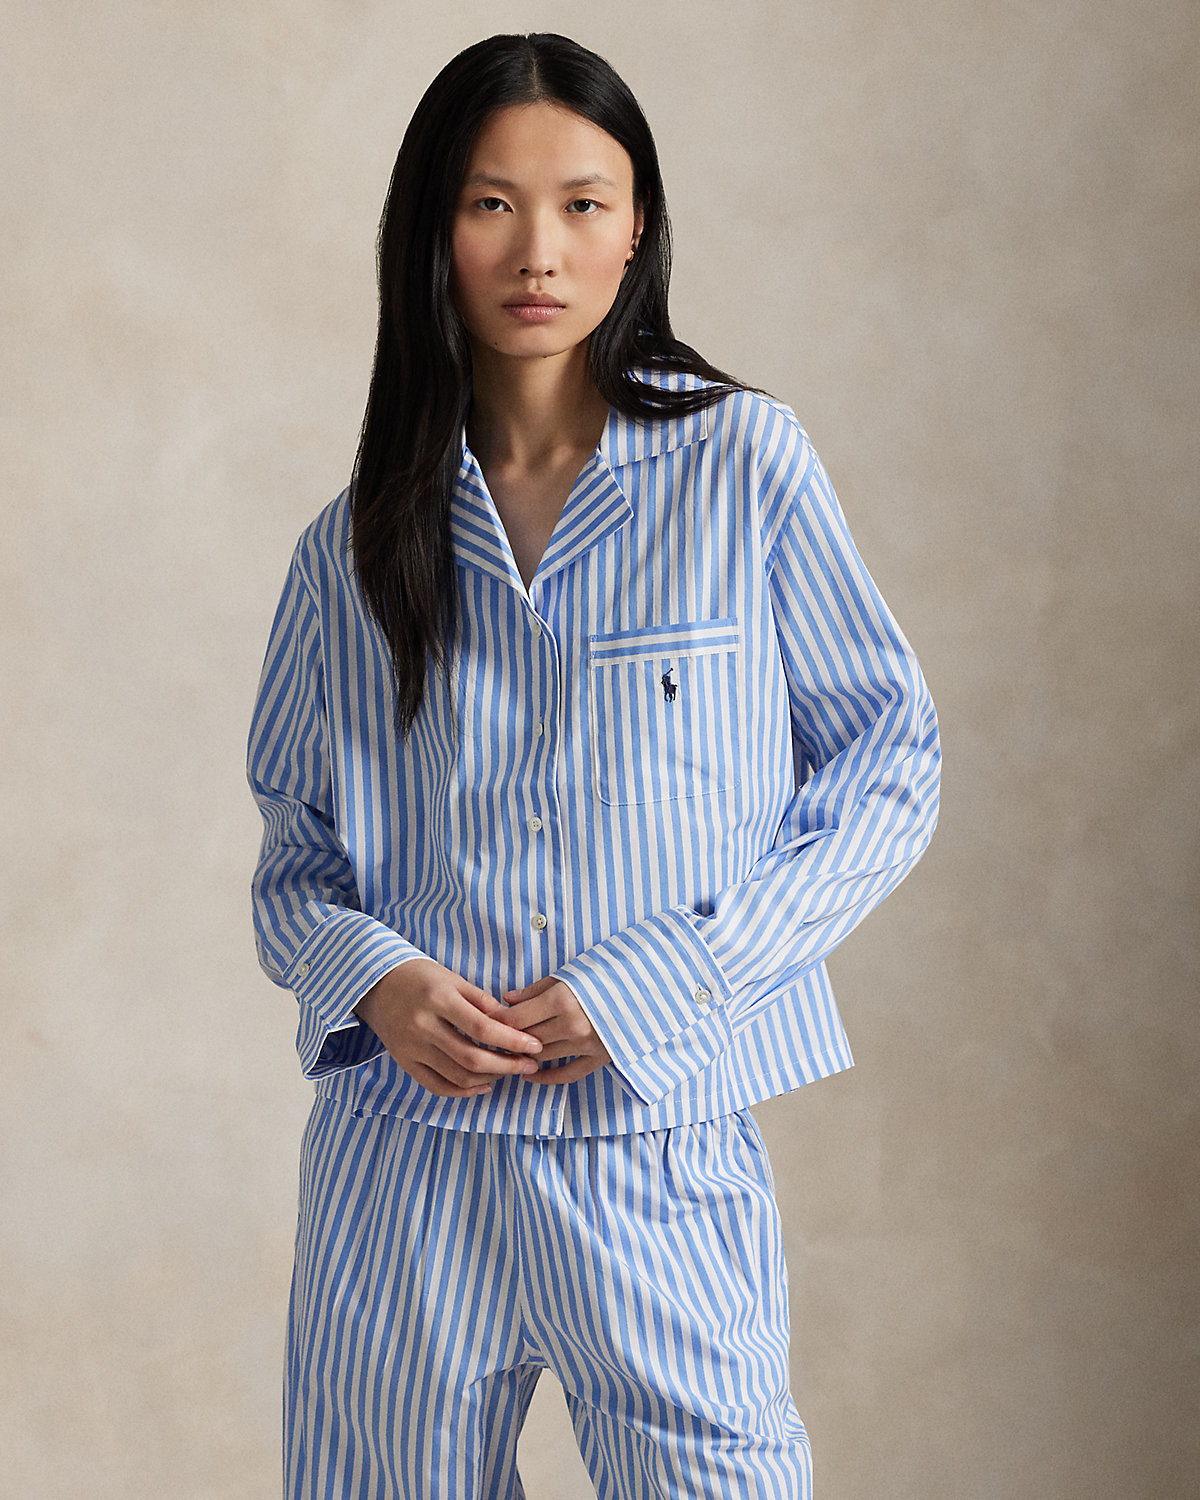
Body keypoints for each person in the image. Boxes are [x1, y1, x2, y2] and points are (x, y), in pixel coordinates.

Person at [247, 30, 940, 1500]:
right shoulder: (351, 546)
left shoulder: (743, 466)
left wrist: (672, 979)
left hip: (655, 1144)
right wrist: (377, 979)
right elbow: (295, 855)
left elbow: (890, 762)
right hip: (401, 1169)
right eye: (492, 204)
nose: (538, 252)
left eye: (582, 203)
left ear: (637, 230)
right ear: (432, 232)